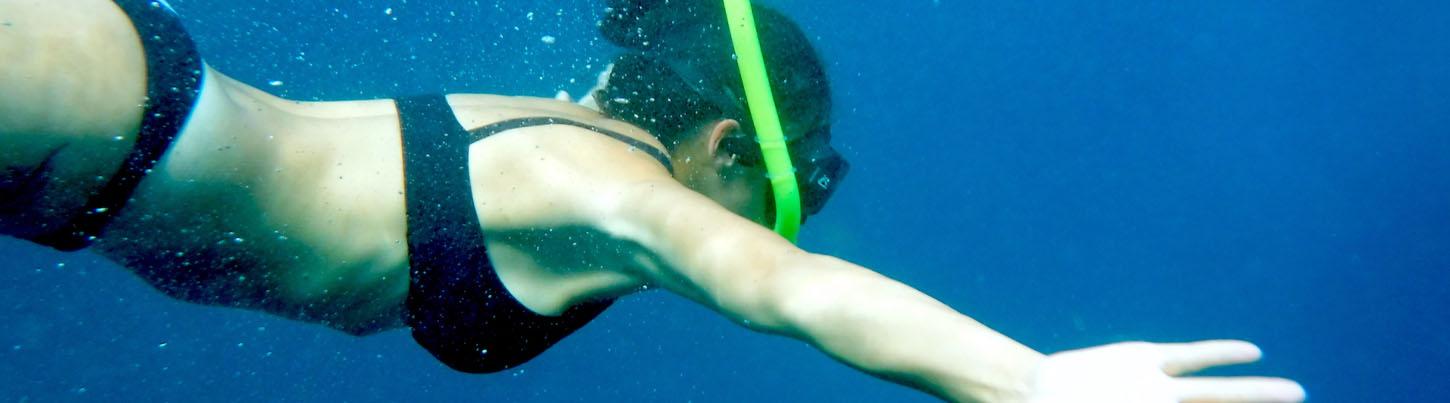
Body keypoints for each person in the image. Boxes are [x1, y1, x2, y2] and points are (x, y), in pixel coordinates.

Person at [0, 0, 1306, 401]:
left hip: (92, 127)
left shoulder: (567, 129)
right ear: (727, 141)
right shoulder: (597, 178)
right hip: (92, 116)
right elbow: (784, 289)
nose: (794, 215)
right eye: (802, 178)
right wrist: (1024, 382)